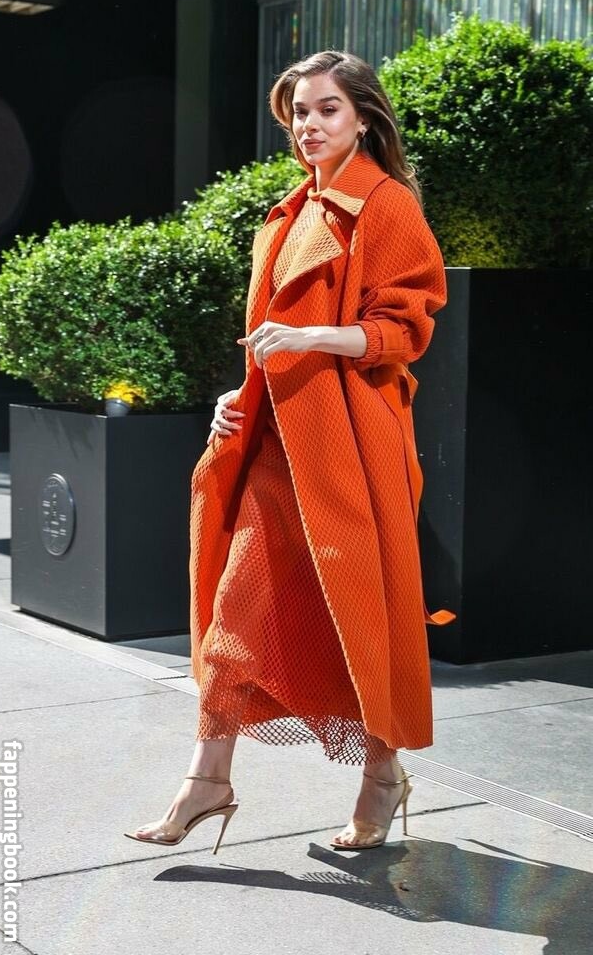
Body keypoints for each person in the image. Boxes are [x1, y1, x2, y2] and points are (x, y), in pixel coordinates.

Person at [124, 49, 456, 853]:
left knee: (357, 616)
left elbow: (404, 333)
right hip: (274, 444)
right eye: (299, 113)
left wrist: (307, 338)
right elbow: (263, 341)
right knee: (233, 615)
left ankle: (382, 774)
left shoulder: (383, 205)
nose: (309, 125)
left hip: (347, 445)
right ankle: (207, 780)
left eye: (326, 109)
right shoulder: (287, 213)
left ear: (364, 118)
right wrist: (233, 396)